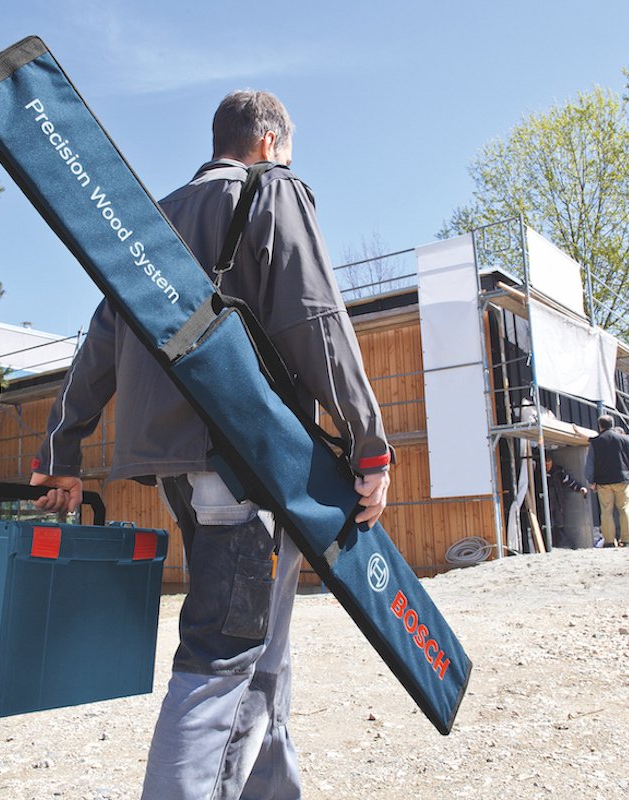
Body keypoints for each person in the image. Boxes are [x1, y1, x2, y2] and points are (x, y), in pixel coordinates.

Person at [28, 90, 391, 800]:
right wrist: (368, 443)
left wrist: (61, 454)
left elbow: (99, 344)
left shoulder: (149, 220)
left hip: (181, 469)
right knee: (223, 652)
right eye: (287, 152)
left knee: (262, 649)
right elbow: (317, 320)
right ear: (269, 144)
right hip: (247, 462)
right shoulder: (272, 191)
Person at [585, 415, 629, 547]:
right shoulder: (624, 439)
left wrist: (590, 480)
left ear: (600, 426)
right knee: (624, 509)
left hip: (603, 481)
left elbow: (590, 462)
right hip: (622, 479)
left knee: (606, 511)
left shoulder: (595, 442)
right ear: (612, 424)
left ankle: (609, 541)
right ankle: (626, 539)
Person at [541, 453, 588, 548]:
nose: (547, 466)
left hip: (557, 502)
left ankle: (560, 544)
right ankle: (548, 545)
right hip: (543, 504)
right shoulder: (537, 473)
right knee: (547, 524)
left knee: (559, 524)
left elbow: (569, 481)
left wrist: (580, 488)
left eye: (549, 463)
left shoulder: (558, 472)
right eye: (545, 464)